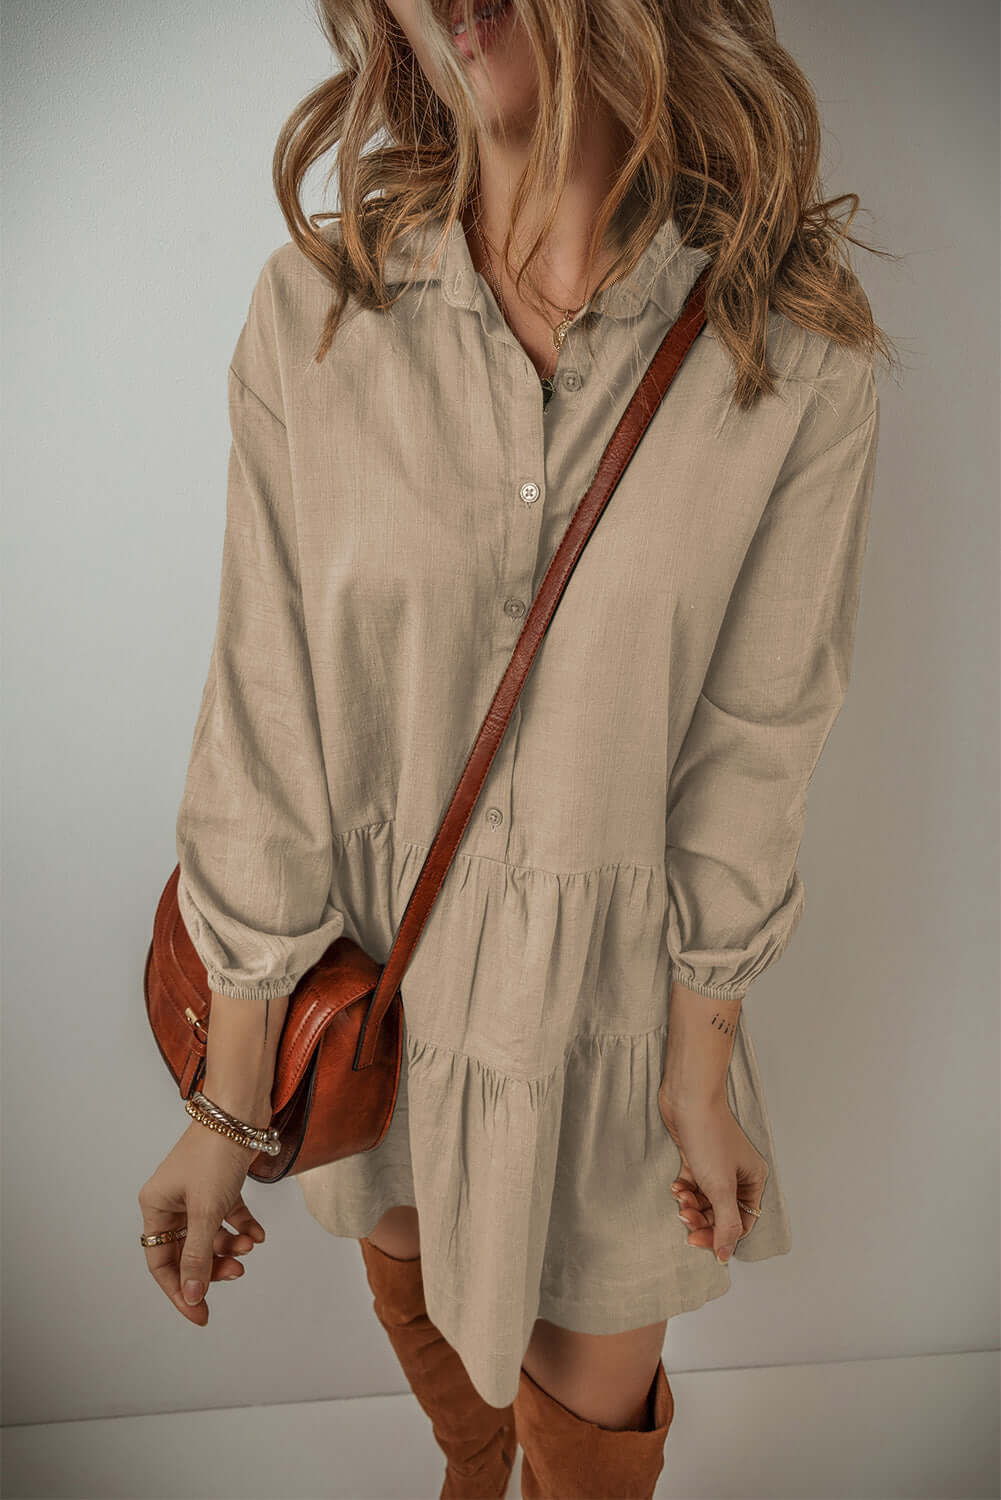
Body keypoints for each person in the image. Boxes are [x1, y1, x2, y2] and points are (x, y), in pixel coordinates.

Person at [139, 1, 894, 1495]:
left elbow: (758, 738)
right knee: (463, 1412)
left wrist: (701, 1066)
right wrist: (230, 1099)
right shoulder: (318, 311)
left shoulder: (786, 346)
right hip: (382, 1004)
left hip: (608, 1023)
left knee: (589, 1447)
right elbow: (264, 716)